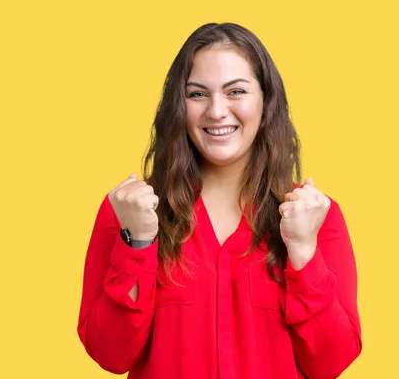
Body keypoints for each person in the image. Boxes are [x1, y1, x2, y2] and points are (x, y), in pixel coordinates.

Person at [76, 22, 362, 379]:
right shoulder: (127, 213)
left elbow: (331, 363)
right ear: (178, 106)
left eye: (236, 91)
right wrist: (138, 243)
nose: (216, 111)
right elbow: (110, 355)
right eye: (197, 94)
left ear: (266, 100)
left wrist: (303, 250)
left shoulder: (318, 217)